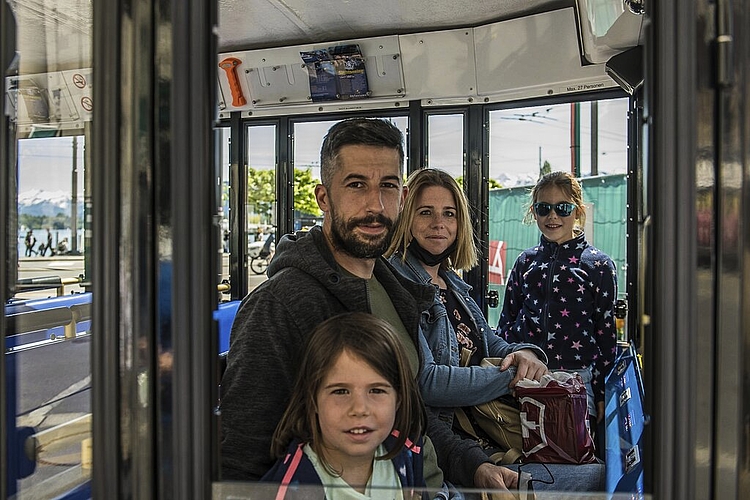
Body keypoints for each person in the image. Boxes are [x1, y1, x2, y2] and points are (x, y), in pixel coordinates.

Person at [220, 118, 523, 492]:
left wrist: (474, 465)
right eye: (357, 185)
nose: (375, 206)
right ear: (324, 198)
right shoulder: (280, 306)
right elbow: (241, 461)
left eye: (388, 186)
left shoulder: (391, 285)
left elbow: (410, 412)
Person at [385, 168, 548, 456]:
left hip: (487, 429)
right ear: (406, 218)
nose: (439, 224)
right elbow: (428, 382)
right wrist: (511, 378)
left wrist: (525, 353)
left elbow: (488, 341)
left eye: (449, 214)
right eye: (425, 212)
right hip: (447, 444)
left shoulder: (452, 282)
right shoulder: (398, 284)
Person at [261, 312, 451, 499]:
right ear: (312, 400)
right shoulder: (289, 490)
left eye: (376, 391)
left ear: (398, 399)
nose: (360, 409)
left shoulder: (408, 450)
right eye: (341, 391)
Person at [496, 171, 618, 427]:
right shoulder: (525, 262)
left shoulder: (599, 265)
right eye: (544, 208)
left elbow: (606, 338)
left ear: (578, 211)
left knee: (574, 457)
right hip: (525, 376)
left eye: (563, 208)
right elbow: (506, 323)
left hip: (577, 380)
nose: (553, 216)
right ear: (534, 212)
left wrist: (603, 394)